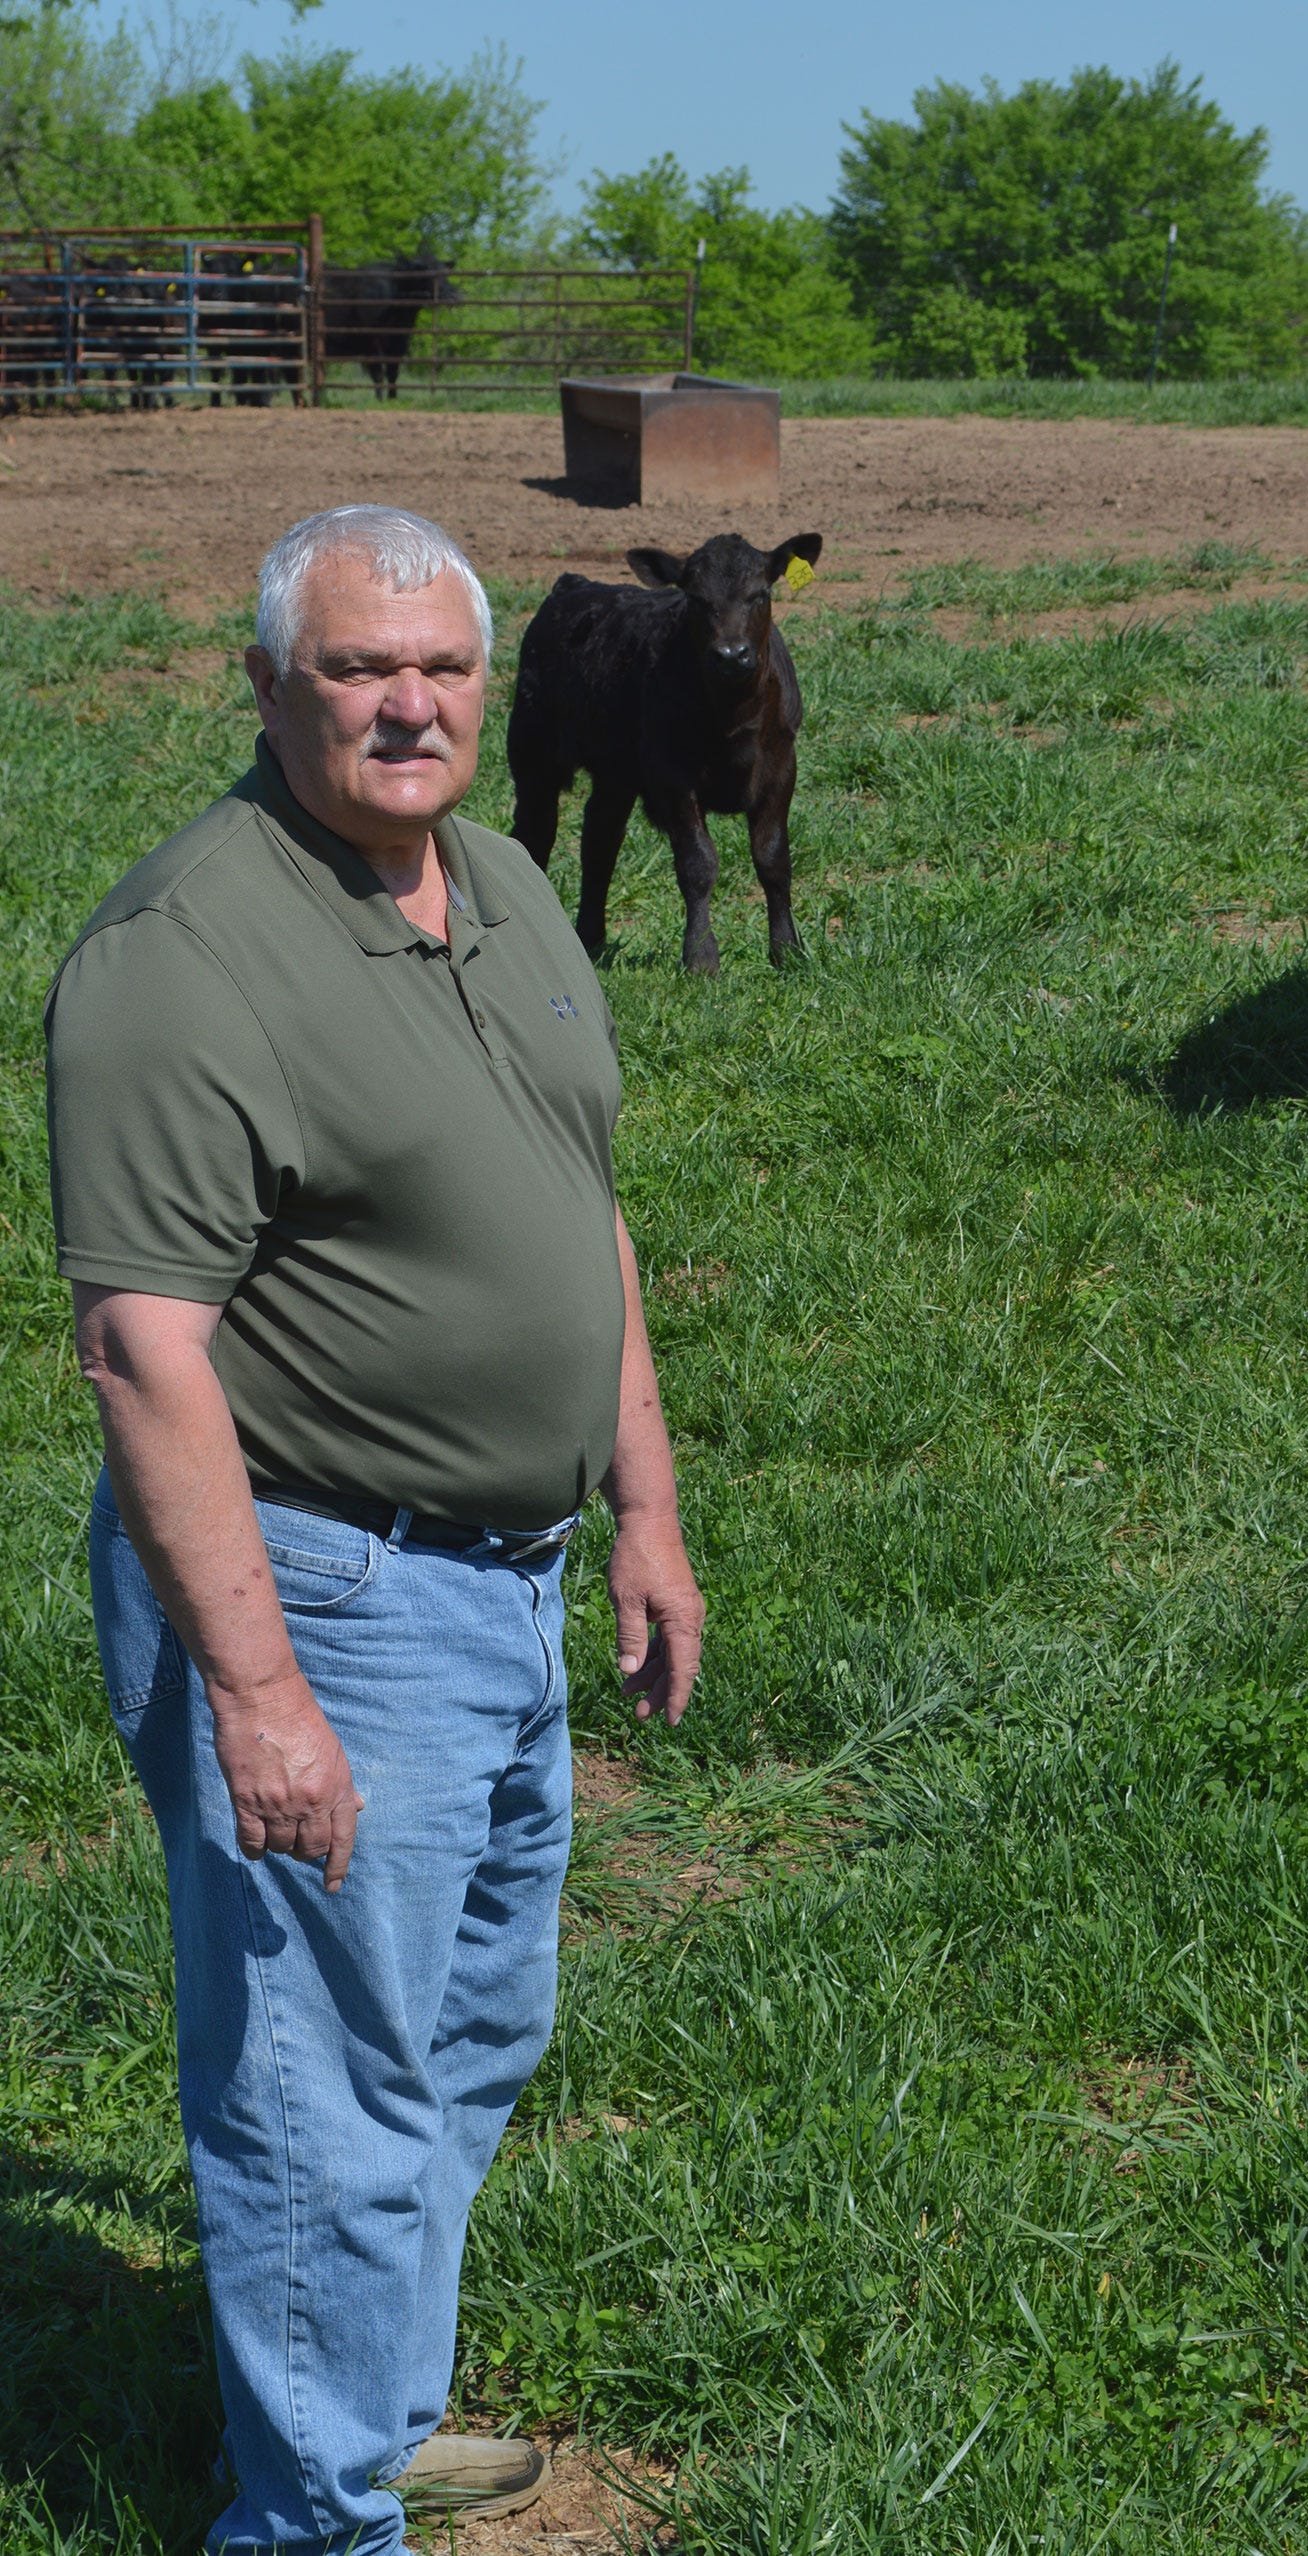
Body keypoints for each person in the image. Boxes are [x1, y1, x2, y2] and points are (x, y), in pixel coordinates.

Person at [43, 504, 705, 2555]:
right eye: (353, 669)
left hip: (499, 1580)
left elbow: (573, 1200)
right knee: (325, 2095)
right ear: (265, 687)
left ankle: (364, 2408)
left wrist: (646, 1512)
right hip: (323, 1578)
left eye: (438, 667)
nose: (405, 704)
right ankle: (311, 2520)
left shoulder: (495, 877)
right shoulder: (181, 958)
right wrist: (258, 1693)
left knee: (462, 2033)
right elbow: (143, 1348)